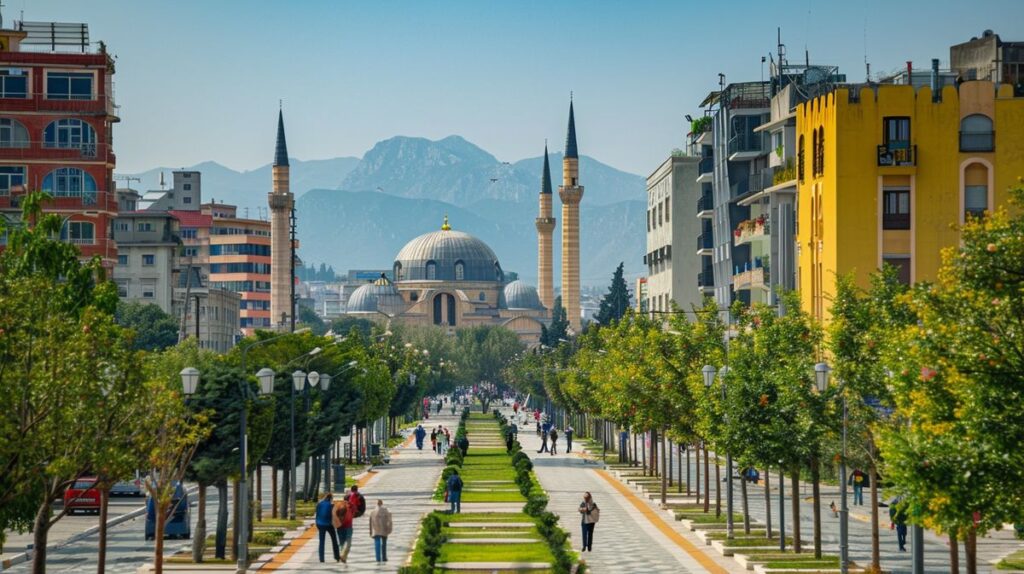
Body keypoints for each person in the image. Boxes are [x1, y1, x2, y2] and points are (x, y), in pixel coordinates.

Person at [339, 485, 364, 562]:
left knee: (342, 542)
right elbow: (361, 506)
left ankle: (342, 555)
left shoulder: (344, 506)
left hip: (342, 527)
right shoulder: (351, 507)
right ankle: (342, 556)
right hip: (347, 527)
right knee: (347, 543)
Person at [315, 493, 340, 562]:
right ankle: (337, 556)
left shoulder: (319, 504)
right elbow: (334, 515)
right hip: (329, 524)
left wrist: (317, 523)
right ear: (331, 498)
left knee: (321, 541)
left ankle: (321, 558)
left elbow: (317, 513)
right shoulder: (331, 505)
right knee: (334, 540)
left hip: (320, 524)